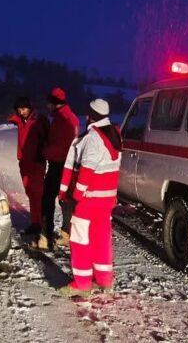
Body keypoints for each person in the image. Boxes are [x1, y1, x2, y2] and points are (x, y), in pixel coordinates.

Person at [58, 99, 121, 297]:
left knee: (80, 239)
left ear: (91, 115)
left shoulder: (93, 137)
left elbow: (87, 170)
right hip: (106, 200)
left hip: (89, 200)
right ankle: (104, 279)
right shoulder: (115, 134)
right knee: (101, 239)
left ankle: (83, 283)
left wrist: (76, 195)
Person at [34, 87, 79, 250]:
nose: (47, 106)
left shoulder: (60, 120)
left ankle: (46, 237)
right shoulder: (73, 118)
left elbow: (58, 148)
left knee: (47, 200)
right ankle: (67, 233)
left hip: (58, 164)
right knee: (66, 200)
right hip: (70, 165)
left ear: (54, 103)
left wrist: (43, 151)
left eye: (49, 104)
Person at [7, 96, 49, 237]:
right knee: (30, 193)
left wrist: (41, 154)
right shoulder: (20, 120)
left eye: (24, 109)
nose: (21, 112)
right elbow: (10, 118)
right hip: (24, 162)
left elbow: (46, 138)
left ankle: (40, 224)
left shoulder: (38, 120)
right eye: (19, 109)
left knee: (37, 194)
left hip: (36, 162)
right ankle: (35, 222)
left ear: (30, 108)